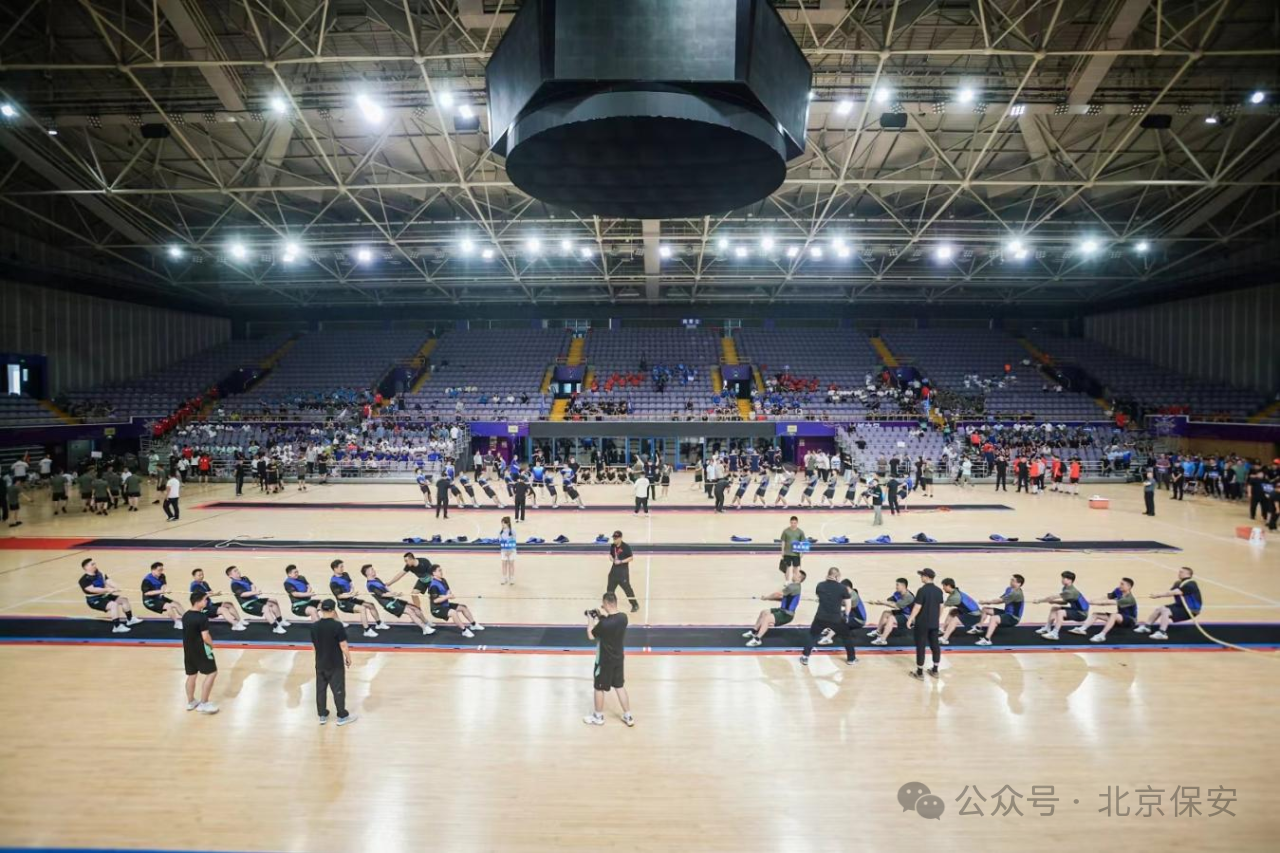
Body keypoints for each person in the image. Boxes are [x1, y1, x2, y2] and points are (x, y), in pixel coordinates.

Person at [583, 592, 634, 727]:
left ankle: (598, 716)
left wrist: (590, 618)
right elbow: (610, 621)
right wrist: (601, 615)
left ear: (606, 603)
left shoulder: (604, 624)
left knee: (598, 687)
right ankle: (628, 716)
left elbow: (591, 635)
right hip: (618, 659)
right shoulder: (623, 618)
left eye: (604, 604)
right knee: (619, 686)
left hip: (604, 661)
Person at [799, 567, 858, 666]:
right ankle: (851, 659)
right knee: (846, 637)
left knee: (812, 635)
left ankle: (805, 657)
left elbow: (820, 597)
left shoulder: (820, 585)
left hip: (820, 617)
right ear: (837, 576)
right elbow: (848, 604)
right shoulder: (842, 588)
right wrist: (846, 616)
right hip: (836, 618)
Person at [310, 600, 356, 726]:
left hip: (320, 663)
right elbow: (343, 645)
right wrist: (348, 658)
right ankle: (342, 716)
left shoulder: (314, 626)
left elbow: (314, 646)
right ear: (333, 610)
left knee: (320, 689)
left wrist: (318, 658)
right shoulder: (337, 626)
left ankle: (322, 715)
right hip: (335, 663)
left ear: (321, 610)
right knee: (338, 689)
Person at [361, 565, 433, 634]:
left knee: (415, 607)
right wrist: (394, 594)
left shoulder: (377, 579)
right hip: (388, 604)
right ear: (367, 573)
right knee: (410, 611)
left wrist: (393, 593)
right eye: (372, 569)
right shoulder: (370, 585)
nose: (374, 570)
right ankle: (425, 629)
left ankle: (426, 623)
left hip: (392, 599)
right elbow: (382, 595)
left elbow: (385, 587)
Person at [1135, 566, 1203, 640]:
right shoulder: (1178, 583)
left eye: (1181, 572)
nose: (1179, 573)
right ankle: (1147, 627)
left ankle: (1162, 633)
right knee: (1160, 608)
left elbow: (1174, 592)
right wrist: (1158, 595)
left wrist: (1157, 595)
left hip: (1191, 610)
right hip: (1181, 606)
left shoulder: (1191, 584)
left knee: (1165, 611)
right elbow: (1170, 592)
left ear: (1188, 574)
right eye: (1179, 572)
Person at [744, 568, 806, 646]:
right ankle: (754, 632)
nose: (793, 574)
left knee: (767, 618)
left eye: (796, 574)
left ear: (799, 578)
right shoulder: (795, 586)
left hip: (787, 615)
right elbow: (782, 599)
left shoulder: (793, 587)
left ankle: (757, 639)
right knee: (764, 612)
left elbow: (777, 594)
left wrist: (766, 597)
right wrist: (768, 599)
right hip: (782, 610)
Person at [182, 590, 220, 714]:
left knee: (192, 675)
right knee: (212, 673)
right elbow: (205, 636)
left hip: (188, 650)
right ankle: (204, 703)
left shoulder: (186, 615)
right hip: (201, 650)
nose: (207, 601)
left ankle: (191, 701)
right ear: (198, 602)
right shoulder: (202, 617)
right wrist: (211, 644)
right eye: (205, 599)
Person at [79, 558, 142, 632]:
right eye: (92, 564)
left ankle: (130, 619)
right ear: (86, 567)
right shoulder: (84, 580)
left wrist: (117, 587)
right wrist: (107, 589)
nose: (95, 565)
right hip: (94, 600)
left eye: (95, 563)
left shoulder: (100, 573)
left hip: (105, 596)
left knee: (124, 600)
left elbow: (109, 581)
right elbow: (92, 589)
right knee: (113, 605)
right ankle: (117, 627)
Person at [329, 559, 385, 637]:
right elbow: (340, 596)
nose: (343, 568)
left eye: (343, 566)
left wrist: (352, 591)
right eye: (341, 567)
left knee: (371, 605)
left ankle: (379, 624)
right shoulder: (333, 582)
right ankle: (367, 630)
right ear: (335, 568)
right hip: (344, 604)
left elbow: (351, 583)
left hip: (351, 599)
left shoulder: (345, 574)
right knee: (362, 608)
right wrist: (351, 594)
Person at [225, 566, 289, 634]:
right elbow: (242, 594)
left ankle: (280, 621)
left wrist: (254, 592)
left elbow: (252, 585)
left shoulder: (245, 578)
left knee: (273, 601)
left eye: (237, 570)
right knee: (265, 608)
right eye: (235, 571)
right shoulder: (234, 584)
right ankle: (276, 628)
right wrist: (254, 593)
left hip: (255, 600)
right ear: (230, 575)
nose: (238, 571)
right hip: (247, 604)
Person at [1073, 577, 1138, 643]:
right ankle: (1082, 629)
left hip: (1130, 621)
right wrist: (1093, 600)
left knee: (1114, 615)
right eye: (1120, 583)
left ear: (1129, 587)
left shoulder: (1129, 599)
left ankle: (1102, 635)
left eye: (1122, 584)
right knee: (1095, 614)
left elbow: (1108, 602)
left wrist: (1090, 602)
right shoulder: (1118, 590)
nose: (1119, 585)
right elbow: (1107, 597)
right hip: (1120, 618)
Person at [425, 564, 484, 636]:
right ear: (434, 573)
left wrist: (450, 595)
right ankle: (464, 630)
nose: (441, 572)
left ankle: (473, 625)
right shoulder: (433, 585)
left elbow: (448, 590)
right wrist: (447, 597)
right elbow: (435, 601)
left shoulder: (443, 580)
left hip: (445, 605)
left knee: (463, 607)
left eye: (441, 570)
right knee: (453, 612)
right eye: (439, 570)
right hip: (437, 609)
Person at [907, 568, 944, 680]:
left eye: (922, 575)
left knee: (921, 647)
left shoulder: (922, 590)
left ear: (927, 577)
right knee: (935, 646)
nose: (921, 577)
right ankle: (935, 670)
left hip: (922, 624)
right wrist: (936, 618)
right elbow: (941, 607)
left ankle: (919, 673)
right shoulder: (938, 591)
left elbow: (917, 607)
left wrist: (910, 619)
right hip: (934, 623)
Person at [1033, 570, 1090, 641]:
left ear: (1070, 580)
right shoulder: (1065, 588)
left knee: (1060, 612)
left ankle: (1055, 634)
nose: (1062, 580)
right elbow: (1065, 602)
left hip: (1081, 614)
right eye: (1062, 578)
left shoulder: (1070, 591)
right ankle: (1047, 628)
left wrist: (1039, 601)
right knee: (1054, 608)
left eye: (1064, 578)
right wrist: (1054, 602)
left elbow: (1052, 597)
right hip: (1075, 610)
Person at [973, 574, 1025, 646]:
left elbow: (1000, 601)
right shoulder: (1009, 589)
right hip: (1006, 613)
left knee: (993, 619)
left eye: (1013, 580)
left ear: (1019, 584)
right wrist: (988, 602)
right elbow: (1000, 598)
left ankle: (987, 640)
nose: (1011, 581)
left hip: (1013, 618)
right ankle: (978, 627)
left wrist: (986, 602)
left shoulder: (1016, 593)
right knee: (985, 609)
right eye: (1011, 579)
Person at [866, 578, 914, 645]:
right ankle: (878, 632)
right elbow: (888, 601)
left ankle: (882, 640)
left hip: (910, 617)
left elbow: (895, 605)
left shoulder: (908, 597)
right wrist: (875, 602)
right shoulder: (897, 593)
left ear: (903, 586)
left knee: (891, 618)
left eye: (897, 585)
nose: (896, 587)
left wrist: (883, 602)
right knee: (886, 613)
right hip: (903, 612)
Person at [140, 561, 186, 628]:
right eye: (159, 570)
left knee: (177, 604)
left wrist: (165, 589)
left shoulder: (162, 576)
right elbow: (147, 593)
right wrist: (162, 591)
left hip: (159, 597)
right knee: (168, 606)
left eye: (162, 570)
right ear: (153, 570)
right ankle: (177, 623)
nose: (161, 571)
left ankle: (187, 619)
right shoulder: (147, 580)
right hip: (149, 601)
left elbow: (164, 584)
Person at [937, 578, 982, 644]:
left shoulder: (954, 597)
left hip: (975, 616)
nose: (943, 588)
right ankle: (943, 628)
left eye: (944, 586)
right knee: (953, 611)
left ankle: (944, 639)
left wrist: (936, 619)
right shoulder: (955, 591)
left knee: (955, 620)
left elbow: (942, 607)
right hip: (972, 612)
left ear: (948, 586)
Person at [498, 516, 518, 585]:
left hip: (512, 551)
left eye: (504, 523)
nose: (502, 525)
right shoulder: (500, 532)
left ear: (508, 523)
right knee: (504, 564)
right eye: (502, 523)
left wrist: (510, 551)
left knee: (511, 564)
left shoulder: (513, 531)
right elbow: (501, 542)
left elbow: (514, 542)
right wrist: (504, 551)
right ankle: (504, 578)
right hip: (504, 551)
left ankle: (511, 578)